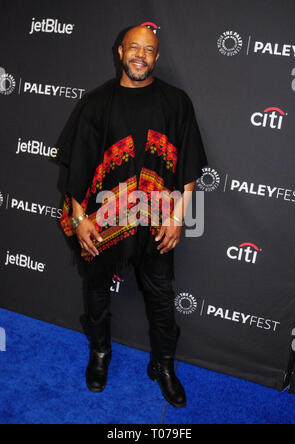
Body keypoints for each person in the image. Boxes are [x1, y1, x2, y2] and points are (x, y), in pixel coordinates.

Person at [56, 25, 207, 408]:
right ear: (120, 51)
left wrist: (178, 217)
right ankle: (101, 353)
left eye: (149, 50)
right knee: (96, 290)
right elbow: (77, 167)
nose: (140, 55)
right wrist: (78, 217)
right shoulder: (95, 103)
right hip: (102, 219)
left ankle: (165, 364)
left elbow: (189, 166)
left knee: (160, 295)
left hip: (157, 218)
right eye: (134, 47)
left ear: (157, 57)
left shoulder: (177, 102)